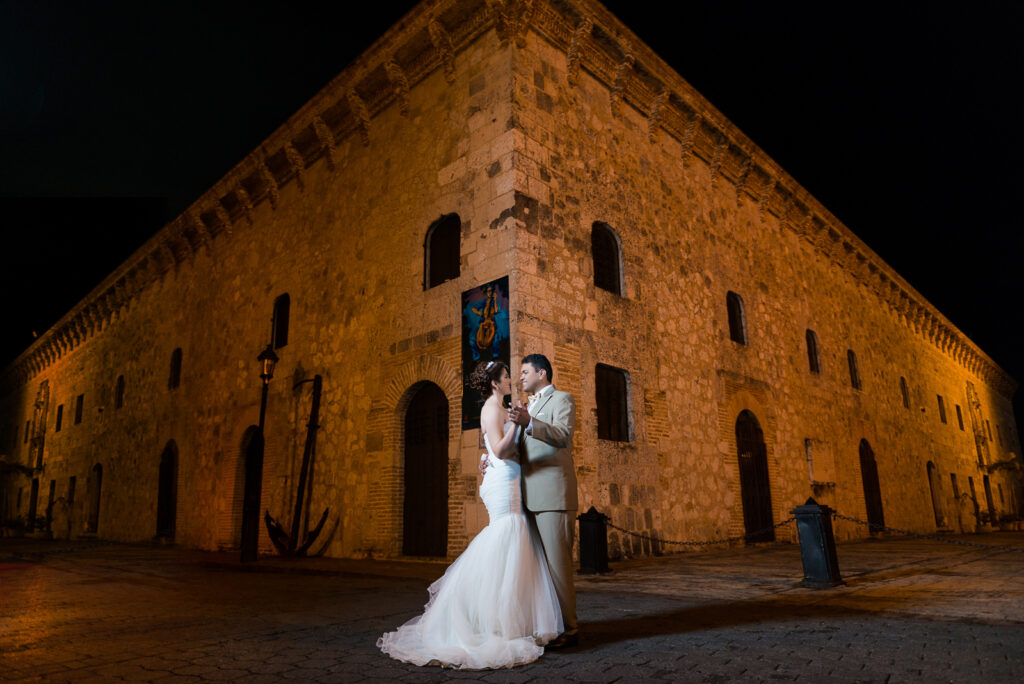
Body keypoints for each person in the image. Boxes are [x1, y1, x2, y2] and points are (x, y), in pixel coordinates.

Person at [377, 360, 563, 669]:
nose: (510, 381)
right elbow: (500, 449)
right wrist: (516, 425)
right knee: (508, 534)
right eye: (505, 377)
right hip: (503, 480)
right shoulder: (492, 408)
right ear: (494, 382)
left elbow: (492, 449)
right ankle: (493, 623)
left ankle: (510, 621)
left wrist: (488, 453)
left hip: (510, 476)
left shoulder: (501, 408)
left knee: (514, 539)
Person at [507, 353, 579, 649]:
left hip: (553, 496)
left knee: (558, 567)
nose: (521, 377)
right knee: (537, 567)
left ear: (542, 372)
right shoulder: (527, 406)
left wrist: (529, 422)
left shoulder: (563, 399)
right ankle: (549, 626)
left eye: (525, 372)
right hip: (528, 494)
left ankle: (569, 630)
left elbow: (563, 435)